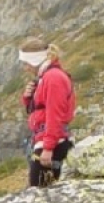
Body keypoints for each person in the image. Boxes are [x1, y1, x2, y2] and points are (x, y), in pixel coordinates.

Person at [19, 37, 76, 187]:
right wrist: (27, 98)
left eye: (26, 63)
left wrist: (48, 148)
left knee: (40, 193)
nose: (25, 68)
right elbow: (41, 109)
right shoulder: (45, 77)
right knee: (41, 191)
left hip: (52, 145)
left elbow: (54, 114)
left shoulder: (53, 78)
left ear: (35, 60)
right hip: (47, 142)